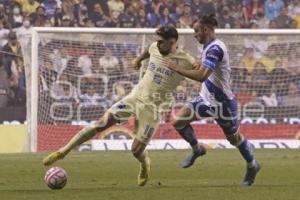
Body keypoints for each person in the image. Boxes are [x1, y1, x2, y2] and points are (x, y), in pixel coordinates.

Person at [43, 25, 195, 186]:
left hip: (154, 109)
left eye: (161, 41)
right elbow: (148, 51)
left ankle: (145, 164)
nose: (157, 43)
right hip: (135, 98)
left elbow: (201, 72)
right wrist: (138, 59)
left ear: (172, 42)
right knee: (100, 123)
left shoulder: (186, 60)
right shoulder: (154, 47)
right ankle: (63, 151)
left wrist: (181, 71)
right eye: (156, 40)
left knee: (136, 150)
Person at [166, 14, 261, 186]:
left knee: (234, 139)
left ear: (206, 30)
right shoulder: (208, 46)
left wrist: (176, 68)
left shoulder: (215, 49)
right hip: (205, 99)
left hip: (222, 105)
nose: (194, 35)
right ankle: (197, 149)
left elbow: (202, 76)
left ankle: (252, 164)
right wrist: (197, 63)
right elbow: (205, 68)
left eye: (196, 31)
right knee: (179, 121)